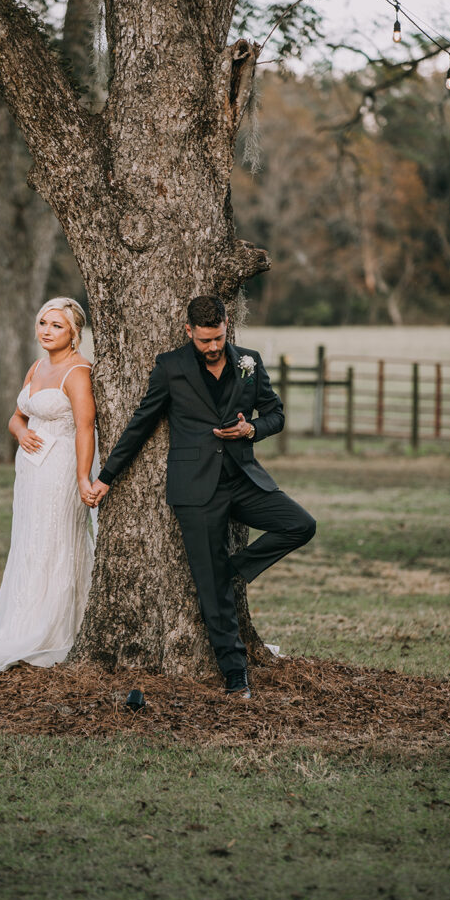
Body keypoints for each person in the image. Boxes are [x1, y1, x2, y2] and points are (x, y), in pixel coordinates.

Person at [88, 295, 316, 698]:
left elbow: (276, 413)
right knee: (213, 596)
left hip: (243, 479)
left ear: (227, 325)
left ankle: (232, 568)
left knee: (300, 524)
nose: (212, 347)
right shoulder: (170, 368)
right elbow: (140, 424)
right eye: (204, 340)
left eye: (218, 338)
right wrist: (107, 476)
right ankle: (235, 674)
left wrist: (252, 430)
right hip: (194, 488)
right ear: (189, 331)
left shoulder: (250, 362)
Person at [0, 297, 97, 677]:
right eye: (42, 322)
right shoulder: (37, 367)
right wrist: (22, 432)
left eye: (56, 325)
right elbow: (16, 417)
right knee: (29, 541)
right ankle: (22, 623)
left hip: (60, 470)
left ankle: (53, 629)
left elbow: (85, 428)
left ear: (74, 333)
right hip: (29, 472)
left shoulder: (78, 373)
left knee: (54, 542)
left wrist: (82, 477)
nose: (46, 330)